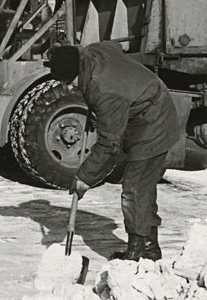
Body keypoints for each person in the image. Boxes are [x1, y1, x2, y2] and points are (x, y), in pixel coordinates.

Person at [49, 41, 179, 262]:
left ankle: (137, 252)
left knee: (135, 187)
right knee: (143, 187)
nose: (69, 88)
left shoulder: (105, 93)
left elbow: (109, 144)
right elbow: (114, 48)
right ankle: (150, 247)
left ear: (78, 70)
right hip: (143, 107)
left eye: (70, 82)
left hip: (154, 121)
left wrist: (84, 177)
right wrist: (96, 112)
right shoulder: (93, 52)